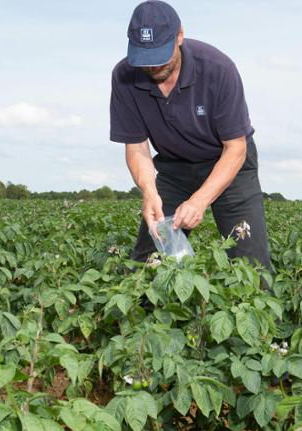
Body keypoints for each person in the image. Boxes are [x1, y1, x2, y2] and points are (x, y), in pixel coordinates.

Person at [110, 0, 272, 270]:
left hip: (228, 163)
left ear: (180, 36)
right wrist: (149, 191)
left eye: (160, 55)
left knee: (250, 264)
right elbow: (137, 147)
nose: (152, 67)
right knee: (149, 262)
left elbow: (236, 148)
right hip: (174, 168)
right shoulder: (125, 76)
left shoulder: (218, 69)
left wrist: (199, 201)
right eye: (144, 59)